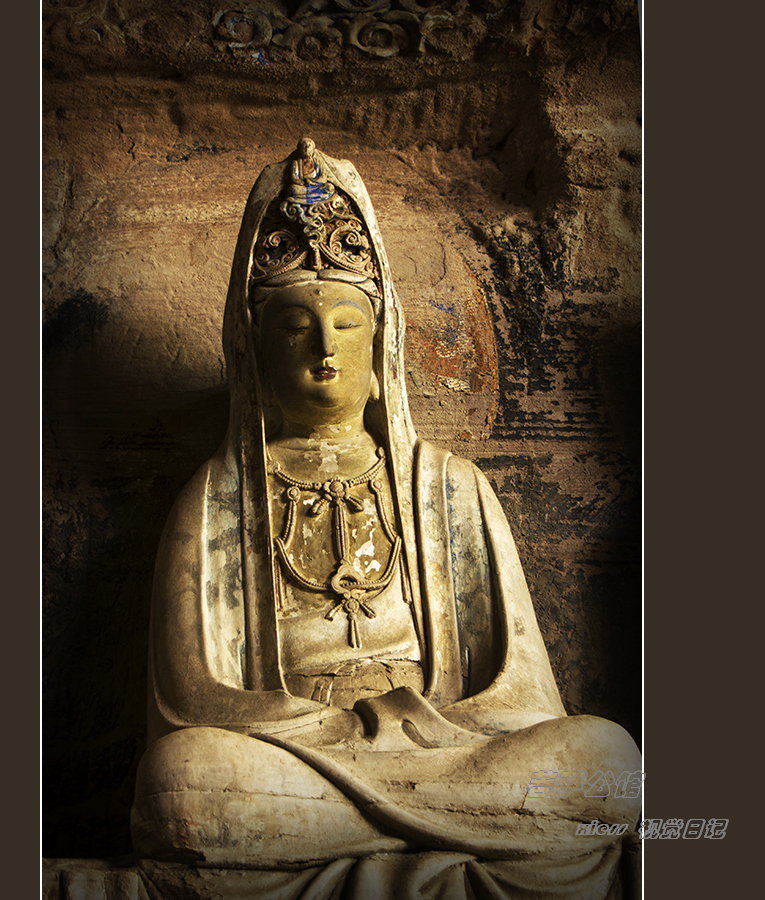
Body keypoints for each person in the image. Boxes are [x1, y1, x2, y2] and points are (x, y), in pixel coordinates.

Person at [131, 140, 641, 899]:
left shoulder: (451, 488)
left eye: (346, 323)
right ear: (255, 353)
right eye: (294, 326)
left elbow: (524, 695)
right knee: (184, 781)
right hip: (300, 754)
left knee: (607, 759)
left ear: (382, 349)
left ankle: (364, 826)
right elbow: (188, 699)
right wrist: (340, 730)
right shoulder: (215, 498)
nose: (325, 347)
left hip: (444, 742)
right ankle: (464, 827)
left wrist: (416, 728)